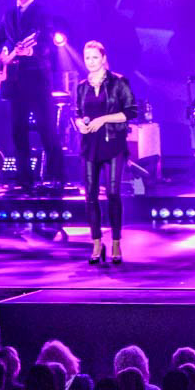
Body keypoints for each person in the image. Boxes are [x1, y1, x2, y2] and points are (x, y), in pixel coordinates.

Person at [0, 0, 63, 192]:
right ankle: (24, 179)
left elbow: (47, 42)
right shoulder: (9, 14)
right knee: (18, 131)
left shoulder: (41, 12)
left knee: (47, 129)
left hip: (37, 79)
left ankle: (57, 178)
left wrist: (31, 52)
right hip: (14, 81)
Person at [72, 41, 137, 267]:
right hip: (90, 145)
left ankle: (116, 242)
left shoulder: (118, 82)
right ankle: (97, 243)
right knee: (90, 195)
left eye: (95, 57)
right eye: (87, 58)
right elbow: (77, 112)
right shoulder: (82, 86)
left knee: (113, 193)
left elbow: (130, 112)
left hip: (113, 144)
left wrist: (103, 119)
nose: (91, 62)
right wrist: (80, 123)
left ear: (103, 58)